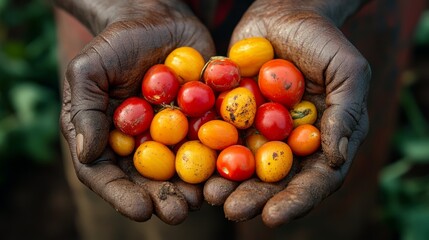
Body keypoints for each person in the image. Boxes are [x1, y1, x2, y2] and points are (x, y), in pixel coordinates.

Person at [53, 0, 426, 239]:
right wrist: (129, 6)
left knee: (319, 201)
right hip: (125, 28)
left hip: (340, 20)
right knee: (149, 224)